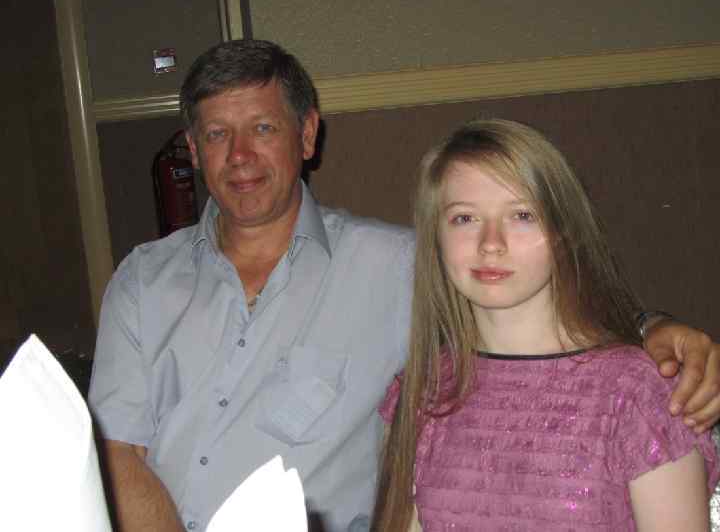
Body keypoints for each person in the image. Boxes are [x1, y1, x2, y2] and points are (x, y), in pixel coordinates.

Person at [88, 40, 720, 532]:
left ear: (306, 134)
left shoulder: (397, 264)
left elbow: (527, 296)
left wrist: (652, 327)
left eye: (263, 128)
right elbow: (117, 455)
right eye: (217, 134)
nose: (240, 156)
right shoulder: (142, 280)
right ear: (193, 150)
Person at [372, 119, 720, 531]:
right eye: (465, 218)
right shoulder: (424, 390)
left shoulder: (637, 393)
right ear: (436, 238)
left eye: (522, 215)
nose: (491, 243)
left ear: (564, 233)